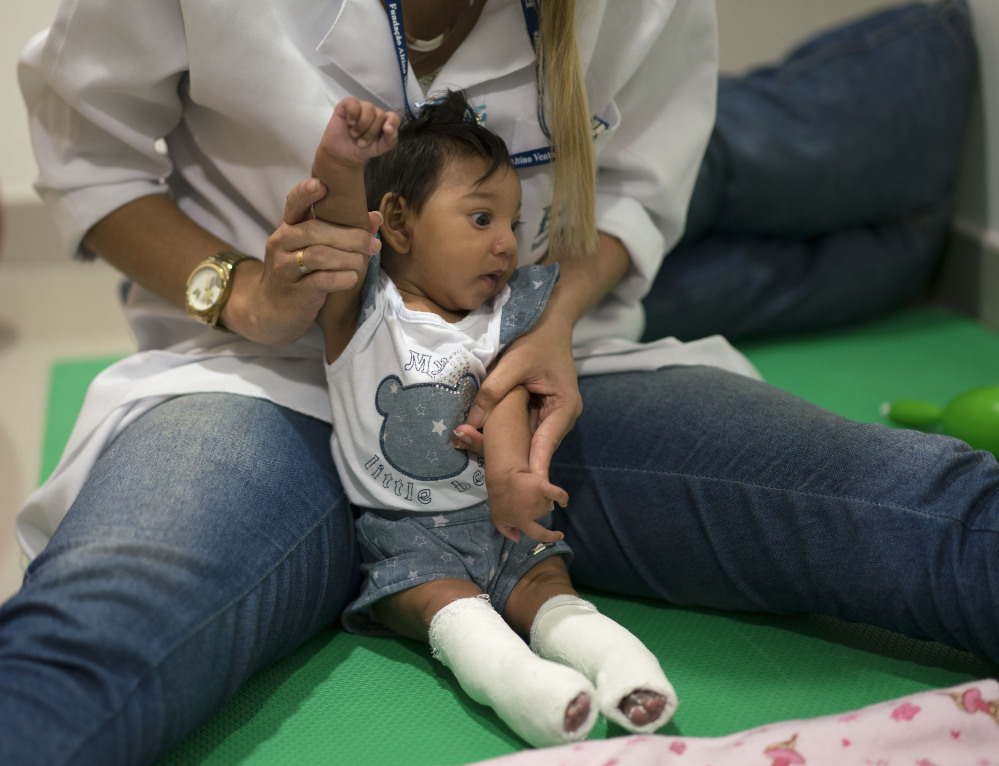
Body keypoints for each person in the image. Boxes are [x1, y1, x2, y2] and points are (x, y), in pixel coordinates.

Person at [2, 1, 990, 764]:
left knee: (910, 503)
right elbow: (91, 153)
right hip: (259, 384)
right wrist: (245, 294)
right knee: (92, 633)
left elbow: (642, 185)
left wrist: (552, 317)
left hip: (544, 375)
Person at [311, 91, 676, 746]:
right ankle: (521, 685)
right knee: (443, 606)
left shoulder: (505, 315)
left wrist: (512, 479)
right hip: (404, 534)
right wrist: (341, 162)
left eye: (511, 222)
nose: (507, 245)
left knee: (546, 586)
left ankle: (618, 666)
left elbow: (504, 395)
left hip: (500, 521)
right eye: (481, 219)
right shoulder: (364, 310)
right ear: (397, 223)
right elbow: (340, 226)